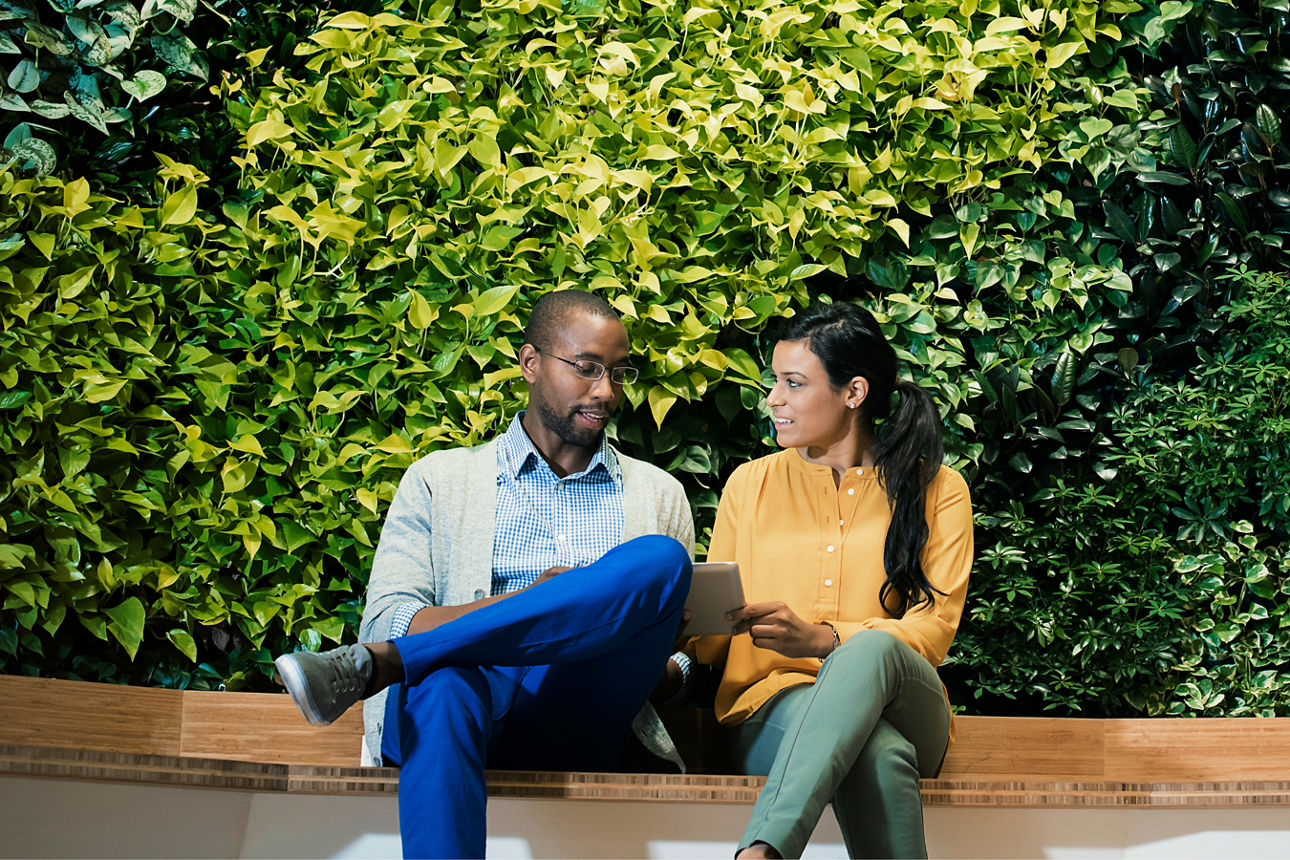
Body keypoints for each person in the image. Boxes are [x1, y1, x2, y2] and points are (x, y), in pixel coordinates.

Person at [273, 289, 694, 859]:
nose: (606, 391)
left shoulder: (657, 493)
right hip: (460, 702)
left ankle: (382, 668)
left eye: (619, 373)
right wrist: (536, 601)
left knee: (660, 561)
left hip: (576, 707)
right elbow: (389, 615)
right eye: (588, 369)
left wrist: (660, 661)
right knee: (445, 682)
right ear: (530, 363)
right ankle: (407, 661)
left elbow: (682, 651)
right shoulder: (440, 480)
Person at [675, 300, 973, 859]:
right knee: (878, 753)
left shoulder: (938, 488)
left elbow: (932, 631)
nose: (773, 400)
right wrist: (686, 618)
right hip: (771, 706)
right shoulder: (750, 484)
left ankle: (761, 852)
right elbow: (712, 645)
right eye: (775, 382)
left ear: (853, 393)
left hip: (905, 705)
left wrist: (821, 639)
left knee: (867, 652)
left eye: (793, 383)